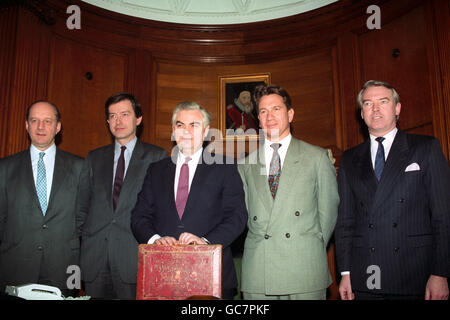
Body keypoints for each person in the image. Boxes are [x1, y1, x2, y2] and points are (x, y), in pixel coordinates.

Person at [335, 80, 450, 300]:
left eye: (383, 101)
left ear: (397, 108)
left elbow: (444, 216)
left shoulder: (425, 148)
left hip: (416, 272)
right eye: (368, 103)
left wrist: (441, 273)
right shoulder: (350, 158)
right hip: (368, 271)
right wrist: (346, 272)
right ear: (361, 113)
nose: (375, 109)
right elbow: (345, 221)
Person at [131, 101, 248, 299]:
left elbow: (237, 216)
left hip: (212, 275)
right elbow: (139, 216)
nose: (186, 130)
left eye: (193, 125)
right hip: (162, 276)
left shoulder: (225, 167)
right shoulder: (156, 170)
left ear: (206, 131)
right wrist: (156, 240)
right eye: (180, 125)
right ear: (173, 131)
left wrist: (205, 242)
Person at [238, 84, 339, 300]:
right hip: (259, 271)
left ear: (290, 114)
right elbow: (241, 215)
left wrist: (308, 248)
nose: (270, 116)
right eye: (263, 111)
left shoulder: (317, 158)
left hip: (304, 268)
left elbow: (328, 214)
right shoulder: (245, 165)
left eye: (276, 109)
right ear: (257, 119)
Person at [79, 93, 167, 299]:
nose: (118, 121)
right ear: (107, 121)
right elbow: (81, 208)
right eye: (112, 116)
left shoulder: (157, 157)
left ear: (138, 119)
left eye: (125, 114)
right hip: (95, 258)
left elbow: (161, 211)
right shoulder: (94, 157)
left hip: (133, 258)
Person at [0, 100, 89, 296]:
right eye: (34, 120)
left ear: (58, 127)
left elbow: (84, 219)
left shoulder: (80, 167)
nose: (40, 127)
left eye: (47, 121)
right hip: (14, 267)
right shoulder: (5, 168)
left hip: (66, 268)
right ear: (26, 125)